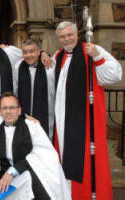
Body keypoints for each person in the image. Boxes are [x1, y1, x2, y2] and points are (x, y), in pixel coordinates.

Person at [52, 21, 122, 200]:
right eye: (62, 36)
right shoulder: (57, 56)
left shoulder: (90, 50)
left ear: (77, 34)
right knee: (64, 159)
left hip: (85, 121)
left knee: (86, 161)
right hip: (62, 121)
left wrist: (97, 56)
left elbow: (114, 75)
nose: (66, 39)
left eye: (69, 35)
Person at [0, 92, 71, 200]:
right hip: (4, 177)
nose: (8, 111)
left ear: (19, 110)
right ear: (0, 111)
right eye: (4, 108)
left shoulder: (32, 127)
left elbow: (42, 154)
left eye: (12, 108)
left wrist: (12, 171)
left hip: (28, 173)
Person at [15, 39, 55, 139]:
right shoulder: (18, 67)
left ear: (38, 52)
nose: (28, 55)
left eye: (32, 51)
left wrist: (45, 54)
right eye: (25, 52)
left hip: (46, 114)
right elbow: (15, 90)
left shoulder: (49, 66)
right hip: (25, 115)